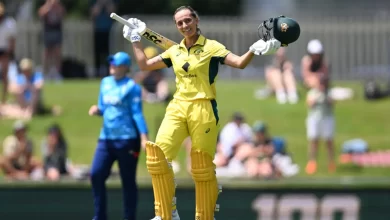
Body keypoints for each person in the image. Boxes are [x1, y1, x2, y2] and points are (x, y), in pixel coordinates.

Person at [121, 6, 297, 220]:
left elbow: (240, 63)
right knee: (157, 158)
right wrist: (136, 39)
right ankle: (166, 214)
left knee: (201, 167)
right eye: (180, 23)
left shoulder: (212, 47)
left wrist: (254, 49)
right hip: (177, 106)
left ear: (196, 20)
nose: (185, 25)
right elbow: (144, 65)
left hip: (203, 108)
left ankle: (205, 216)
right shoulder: (174, 51)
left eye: (188, 20)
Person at [88, 51, 149, 220]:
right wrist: (97, 110)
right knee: (96, 174)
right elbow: (103, 106)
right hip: (106, 139)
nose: (112, 67)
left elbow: (137, 113)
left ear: (125, 67)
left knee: (128, 180)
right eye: (111, 63)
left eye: (116, 64)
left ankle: (129, 217)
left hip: (127, 140)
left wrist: (144, 137)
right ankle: (99, 216)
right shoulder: (105, 83)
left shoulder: (132, 87)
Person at [305, 74, 335, 175]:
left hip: (327, 118)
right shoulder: (312, 93)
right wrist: (318, 96)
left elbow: (332, 104)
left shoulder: (329, 93)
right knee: (314, 140)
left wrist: (326, 96)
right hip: (314, 118)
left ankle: (331, 162)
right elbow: (309, 104)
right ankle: (312, 162)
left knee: (329, 141)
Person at [38, 0, 66, 80]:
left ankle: (57, 72)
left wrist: (56, 6)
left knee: (57, 53)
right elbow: (41, 14)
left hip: (57, 31)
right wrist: (49, 6)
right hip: (48, 32)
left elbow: (63, 14)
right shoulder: (46, 6)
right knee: (47, 53)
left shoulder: (58, 6)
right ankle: (45, 72)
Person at [0, 2, 17, 104]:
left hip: (5, 51)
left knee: (5, 76)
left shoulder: (9, 23)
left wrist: (9, 52)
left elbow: (12, 40)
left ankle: (4, 99)